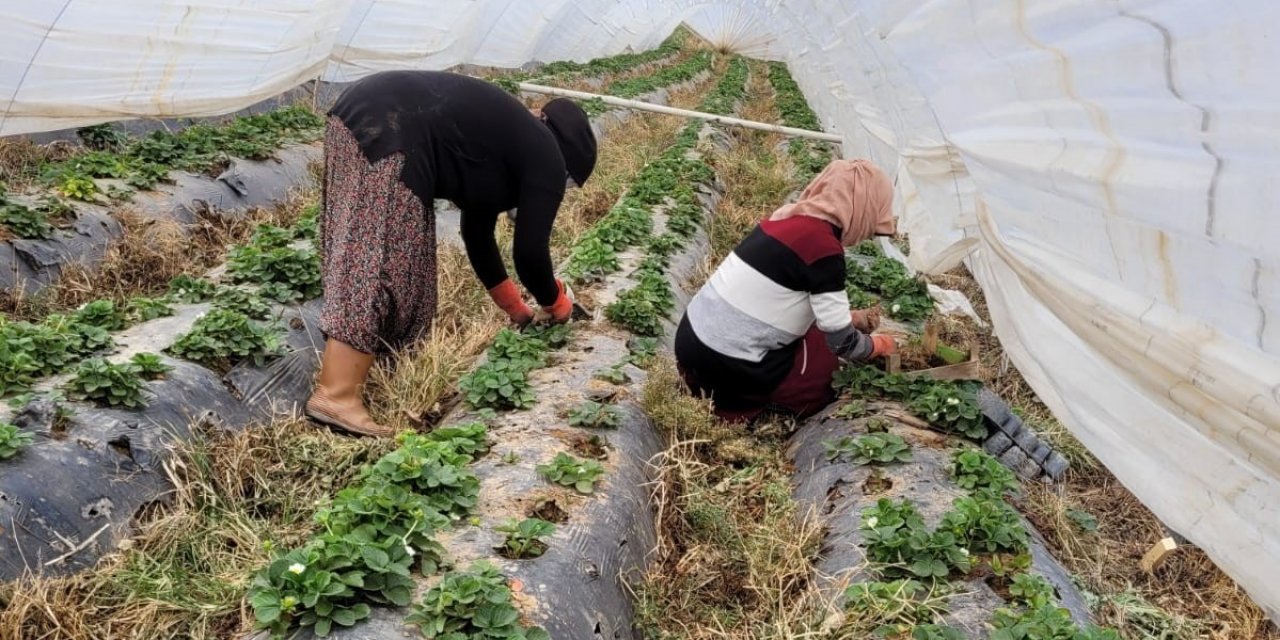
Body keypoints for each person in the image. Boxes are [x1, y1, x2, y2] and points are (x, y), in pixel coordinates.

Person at [306, 70, 598, 437]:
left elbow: (477, 237)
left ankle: (370, 371)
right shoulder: (546, 154)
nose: (558, 189)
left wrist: (518, 311)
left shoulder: (505, 146)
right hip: (389, 124)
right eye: (566, 184)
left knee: (408, 266)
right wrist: (558, 303)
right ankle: (337, 395)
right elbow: (530, 254)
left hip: (369, 113)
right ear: (567, 165)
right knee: (381, 259)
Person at [675, 159, 898, 422]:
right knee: (824, 371)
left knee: (812, 335)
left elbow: (781, 302)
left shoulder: (784, 220)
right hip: (726, 369)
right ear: (864, 207)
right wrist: (878, 346)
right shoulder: (823, 248)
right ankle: (758, 409)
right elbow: (842, 343)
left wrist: (851, 318)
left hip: (691, 350)